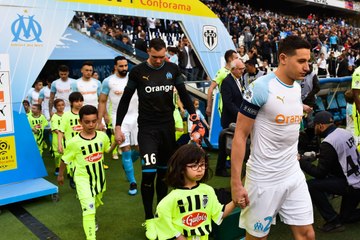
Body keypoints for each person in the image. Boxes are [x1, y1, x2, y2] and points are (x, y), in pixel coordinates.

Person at [231, 36, 315, 239]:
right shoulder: (260, 87)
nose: (307, 67)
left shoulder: (296, 87)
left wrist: (301, 109)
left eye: (308, 61)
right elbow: (240, 135)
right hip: (264, 178)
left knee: (307, 234)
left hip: (292, 173)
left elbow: (282, 112)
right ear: (284, 58)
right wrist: (235, 183)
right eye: (301, 61)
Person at [115, 38, 204, 227]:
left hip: (167, 128)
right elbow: (125, 100)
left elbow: (183, 93)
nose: (159, 61)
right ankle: (149, 219)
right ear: (148, 52)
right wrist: (117, 126)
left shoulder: (172, 69)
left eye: (162, 57)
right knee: (148, 174)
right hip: (147, 129)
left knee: (164, 175)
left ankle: (160, 214)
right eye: (155, 57)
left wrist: (194, 116)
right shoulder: (138, 72)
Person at [145, 144, 236, 240]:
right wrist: (178, 236)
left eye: (202, 164)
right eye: (194, 165)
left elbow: (219, 213)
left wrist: (235, 202)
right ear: (181, 169)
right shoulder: (173, 197)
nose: (200, 169)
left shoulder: (208, 191)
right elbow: (162, 216)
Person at [57, 105, 116, 240]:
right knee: (88, 210)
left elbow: (107, 150)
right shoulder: (74, 142)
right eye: (87, 122)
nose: (91, 124)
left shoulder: (102, 137)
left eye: (94, 121)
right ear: (80, 122)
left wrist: (116, 143)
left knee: (94, 205)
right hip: (82, 180)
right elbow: (64, 160)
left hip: (99, 180)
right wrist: (60, 175)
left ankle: (92, 215)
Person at [299, 111, 360, 232]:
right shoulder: (344, 132)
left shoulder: (327, 143)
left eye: (315, 125)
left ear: (321, 126)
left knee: (312, 185)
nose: (314, 128)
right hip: (356, 181)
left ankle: (332, 220)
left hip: (351, 186)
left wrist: (300, 161)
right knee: (346, 217)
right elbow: (337, 154)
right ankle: (339, 219)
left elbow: (319, 173)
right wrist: (317, 155)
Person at [98, 56, 139, 195]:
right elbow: (102, 101)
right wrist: (101, 119)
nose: (124, 68)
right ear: (115, 66)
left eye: (126, 65)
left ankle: (126, 163)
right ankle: (133, 182)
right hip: (119, 120)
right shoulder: (108, 81)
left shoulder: (134, 77)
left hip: (137, 117)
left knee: (139, 149)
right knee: (126, 149)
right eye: (121, 66)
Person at [216, 59, 246, 177]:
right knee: (226, 145)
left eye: (243, 68)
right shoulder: (227, 82)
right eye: (240, 69)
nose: (242, 71)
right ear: (233, 69)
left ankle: (225, 168)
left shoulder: (239, 80)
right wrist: (240, 114)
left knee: (231, 145)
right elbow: (228, 103)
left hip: (237, 117)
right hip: (230, 119)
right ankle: (221, 168)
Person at [58, 92, 84, 189]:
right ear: (71, 103)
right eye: (76, 101)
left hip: (84, 143)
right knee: (72, 163)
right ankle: (73, 178)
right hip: (71, 145)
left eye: (81, 101)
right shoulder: (66, 115)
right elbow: (61, 130)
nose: (79, 103)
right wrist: (60, 144)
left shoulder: (85, 113)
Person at [206, 50, 238, 117]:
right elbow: (211, 88)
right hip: (225, 106)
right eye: (236, 58)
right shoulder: (222, 72)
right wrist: (209, 106)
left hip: (235, 104)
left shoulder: (235, 72)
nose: (238, 60)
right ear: (230, 59)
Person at [50, 99, 65, 176]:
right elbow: (55, 129)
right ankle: (57, 166)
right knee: (57, 155)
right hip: (57, 139)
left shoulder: (66, 115)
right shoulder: (54, 117)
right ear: (55, 107)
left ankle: (69, 171)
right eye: (59, 105)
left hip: (66, 139)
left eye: (62, 105)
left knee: (65, 153)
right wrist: (63, 134)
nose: (61, 107)